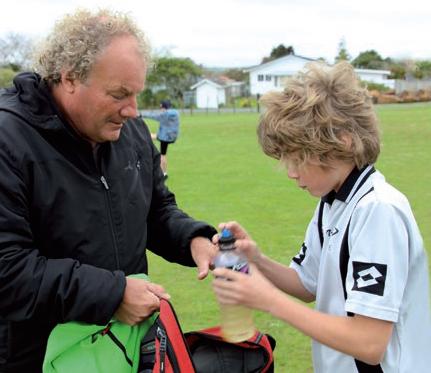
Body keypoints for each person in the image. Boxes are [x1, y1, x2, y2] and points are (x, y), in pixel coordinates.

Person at [0, 9, 217, 372]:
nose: (133, 111)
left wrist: (193, 240)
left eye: (136, 94)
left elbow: (156, 210)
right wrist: (112, 295)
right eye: (119, 94)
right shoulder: (9, 139)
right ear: (69, 78)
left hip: (124, 350)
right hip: (36, 357)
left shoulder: (128, 133)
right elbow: (7, 269)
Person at [212, 61, 431, 372]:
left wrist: (269, 300)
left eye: (298, 157)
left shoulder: (377, 211)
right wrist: (256, 258)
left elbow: (369, 343)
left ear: (342, 141)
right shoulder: (332, 202)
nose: (290, 172)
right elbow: (308, 283)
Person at [142, 99, 180, 179]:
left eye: (161, 107)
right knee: (150, 136)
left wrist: (140, 114)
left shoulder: (165, 114)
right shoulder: (175, 113)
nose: (160, 110)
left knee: (162, 155)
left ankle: (163, 173)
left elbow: (154, 116)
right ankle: (163, 172)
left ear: (164, 107)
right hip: (171, 136)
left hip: (165, 137)